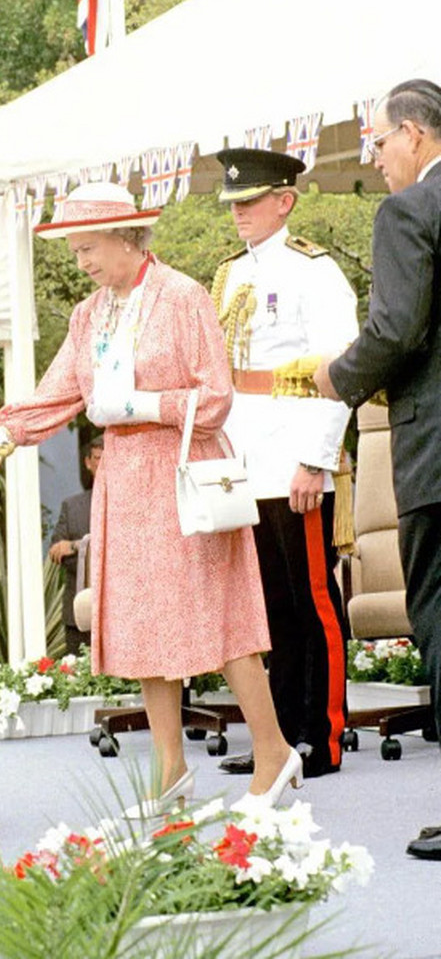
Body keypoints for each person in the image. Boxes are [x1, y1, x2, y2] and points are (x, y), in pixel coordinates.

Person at [0, 182, 297, 809]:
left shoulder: (182, 296)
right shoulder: (89, 314)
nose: (82, 261)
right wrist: (3, 432)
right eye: (75, 250)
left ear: (127, 237)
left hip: (183, 468)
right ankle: (169, 770)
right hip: (126, 477)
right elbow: (60, 391)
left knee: (217, 617)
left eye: (88, 248)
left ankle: (274, 752)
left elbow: (217, 396)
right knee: (147, 625)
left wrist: (146, 404)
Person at [312, 79, 441, 859]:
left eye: (379, 142)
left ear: (415, 135)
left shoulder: (407, 212)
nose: (376, 159)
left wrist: (341, 375)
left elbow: (395, 325)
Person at [211, 148, 358, 782]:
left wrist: (314, 459)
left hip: (294, 450)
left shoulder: (315, 271)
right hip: (246, 458)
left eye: (250, 201)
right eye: (234, 203)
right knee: (267, 609)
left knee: (312, 601)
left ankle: (320, 736)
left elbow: (342, 369)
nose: (239, 213)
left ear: (285, 201)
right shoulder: (228, 274)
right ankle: (278, 737)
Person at [49, 436, 103, 654]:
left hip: (120, 614)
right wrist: (75, 549)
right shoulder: (71, 507)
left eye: (109, 460)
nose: (103, 465)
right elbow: (56, 551)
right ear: (88, 462)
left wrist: (75, 546)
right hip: (78, 615)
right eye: (98, 458)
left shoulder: (132, 506)